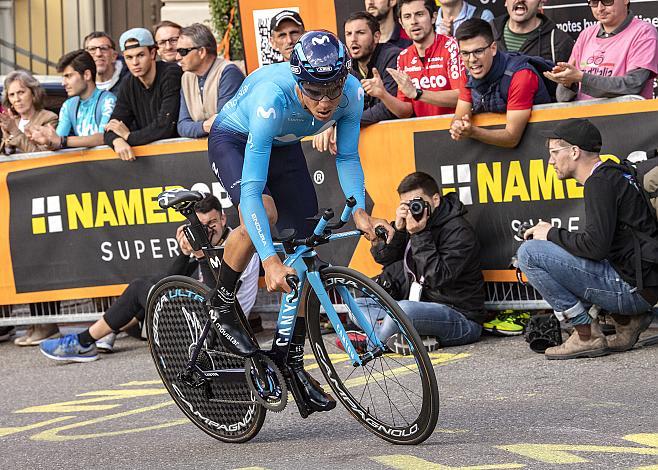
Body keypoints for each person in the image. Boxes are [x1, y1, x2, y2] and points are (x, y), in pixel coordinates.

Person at [207, 31, 384, 417]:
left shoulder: (352, 93)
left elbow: (349, 157)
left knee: (305, 250)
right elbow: (251, 193)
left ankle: (289, 359)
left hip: (285, 145)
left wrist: (359, 211)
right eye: (313, 91)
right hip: (237, 139)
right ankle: (221, 304)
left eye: (331, 91)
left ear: (344, 80)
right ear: (298, 79)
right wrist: (269, 261)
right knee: (265, 216)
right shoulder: (272, 100)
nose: (324, 104)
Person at [40, 194, 260, 362]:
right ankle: (106, 331)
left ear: (223, 219)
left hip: (223, 329)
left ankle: (86, 340)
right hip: (199, 320)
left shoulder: (237, 245)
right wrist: (184, 253)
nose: (208, 232)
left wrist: (201, 254)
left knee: (141, 289)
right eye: (201, 228)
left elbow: (220, 298)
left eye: (212, 224)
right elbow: (169, 281)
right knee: (146, 293)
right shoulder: (209, 244)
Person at [518, 119, 658, 360]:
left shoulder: (599, 183)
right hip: (643, 283)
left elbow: (594, 248)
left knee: (529, 253)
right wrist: (554, 236)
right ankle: (627, 321)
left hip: (633, 289)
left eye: (554, 153)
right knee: (551, 247)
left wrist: (550, 233)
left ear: (574, 152)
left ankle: (585, 334)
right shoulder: (615, 172)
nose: (550, 161)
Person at [341, 171, 489, 354]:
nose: (413, 208)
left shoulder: (459, 231)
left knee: (404, 310)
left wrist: (419, 234)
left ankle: (374, 343)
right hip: (419, 307)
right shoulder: (411, 224)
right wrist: (400, 231)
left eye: (417, 202)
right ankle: (405, 337)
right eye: (407, 204)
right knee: (356, 303)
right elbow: (384, 259)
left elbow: (435, 278)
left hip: (461, 318)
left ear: (435, 200)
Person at [450, 18, 553, 148]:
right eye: (465, 53)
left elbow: (512, 138)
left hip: (540, 147)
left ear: (493, 48)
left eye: (478, 51)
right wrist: (458, 127)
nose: (472, 60)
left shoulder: (521, 76)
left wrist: (473, 132)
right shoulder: (467, 74)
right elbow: (459, 116)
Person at [312, 11, 401, 154]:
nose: (353, 39)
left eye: (360, 33)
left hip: (398, 142)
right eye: (348, 34)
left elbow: (388, 108)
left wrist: (343, 123)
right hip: (367, 148)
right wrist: (330, 122)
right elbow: (338, 105)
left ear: (376, 36)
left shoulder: (393, 56)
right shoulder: (344, 66)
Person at [544, 0, 658, 102]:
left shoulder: (644, 33)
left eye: (607, 1)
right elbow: (562, 97)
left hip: (626, 121)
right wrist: (567, 83)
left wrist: (581, 78)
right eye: (594, 2)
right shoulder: (586, 34)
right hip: (584, 120)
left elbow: (633, 85)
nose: (600, 8)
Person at [103, 28, 182, 161]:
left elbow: (165, 126)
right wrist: (117, 141)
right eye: (129, 57)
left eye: (140, 55)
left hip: (179, 156)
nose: (135, 63)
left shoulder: (171, 74)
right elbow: (111, 126)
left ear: (152, 53)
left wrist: (129, 137)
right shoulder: (128, 83)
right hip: (149, 162)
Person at [378, 0, 464, 119]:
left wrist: (417, 93)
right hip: (421, 134)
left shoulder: (452, 47)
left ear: (433, 17)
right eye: (407, 17)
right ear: (401, 23)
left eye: (419, 14)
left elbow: (462, 96)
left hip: (454, 129)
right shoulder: (403, 57)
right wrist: (383, 95)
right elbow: (406, 111)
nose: (414, 21)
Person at [28, 50, 116, 150]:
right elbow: (58, 142)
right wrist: (48, 141)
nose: (63, 83)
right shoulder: (69, 105)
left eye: (68, 76)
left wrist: (62, 140)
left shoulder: (108, 100)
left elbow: (103, 138)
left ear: (87, 75)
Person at [177, 23, 245, 138]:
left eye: (183, 52)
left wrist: (198, 127)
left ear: (202, 52)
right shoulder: (186, 78)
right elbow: (182, 126)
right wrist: (204, 126)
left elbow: (223, 123)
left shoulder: (228, 72)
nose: (177, 57)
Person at [492, 0, 574, 63]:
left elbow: (568, 83)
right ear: (506, 1)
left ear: (541, 3)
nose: (520, 0)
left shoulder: (558, 42)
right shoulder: (487, 32)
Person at [0, 71, 57, 154]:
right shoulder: (12, 121)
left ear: (33, 93)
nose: (17, 99)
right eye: (12, 95)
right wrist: (7, 137)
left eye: (21, 92)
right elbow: (5, 155)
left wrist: (14, 131)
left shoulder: (49, 118)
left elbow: (41, 155)